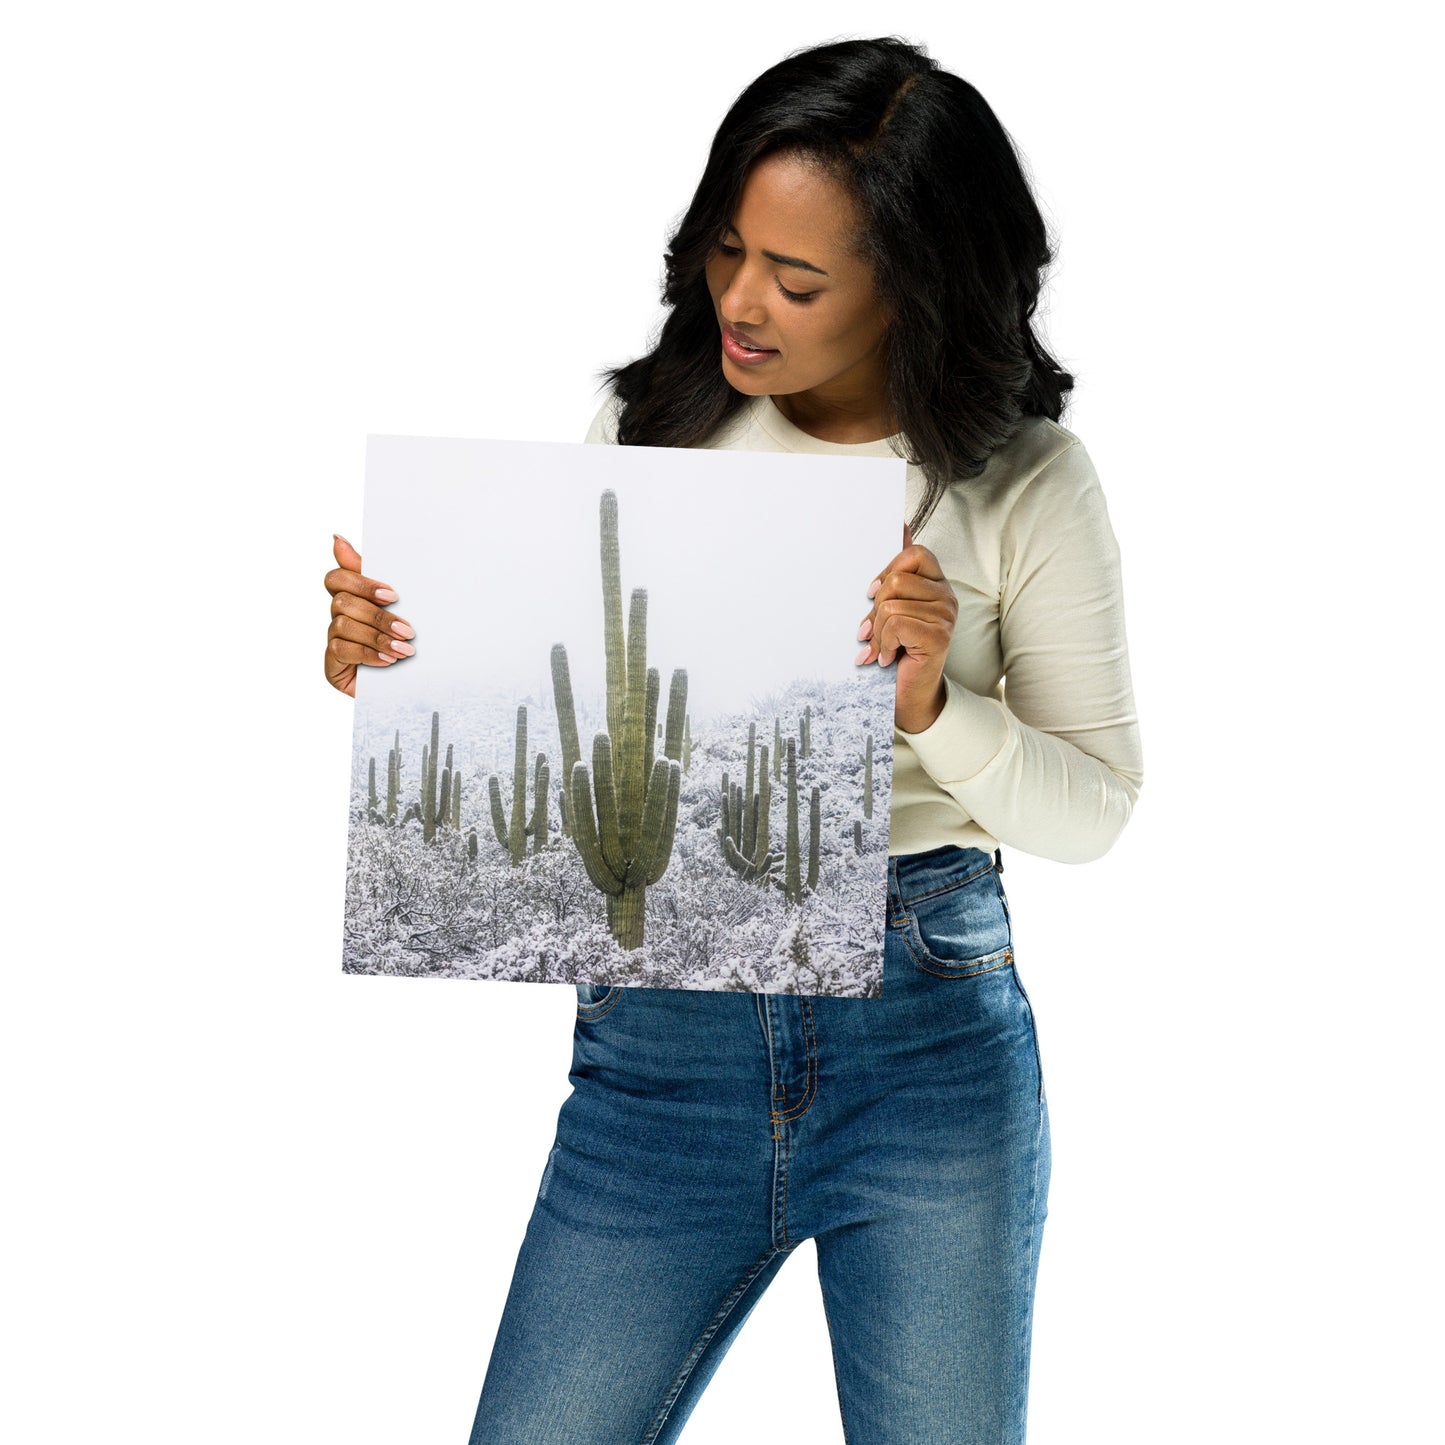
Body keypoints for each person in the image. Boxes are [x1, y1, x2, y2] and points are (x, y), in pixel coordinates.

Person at [324, 36, 1142, 1444]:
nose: (741, 303)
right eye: (724, 251)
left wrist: (933, 706)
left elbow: (1094, 812)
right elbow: (568, 748)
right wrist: (395, 676)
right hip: (659, 1059)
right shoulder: (648, 427)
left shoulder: (1022, 480)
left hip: (926, 1044)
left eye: (799, 278)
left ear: (915, 287)